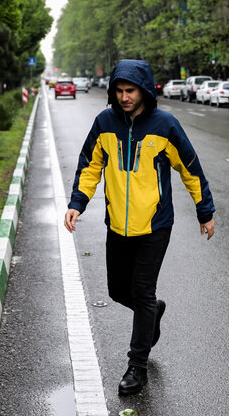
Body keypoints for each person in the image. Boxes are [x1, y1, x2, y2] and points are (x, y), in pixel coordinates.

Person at [64, 59, 216, 396]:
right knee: (118, 290)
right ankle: (152, 313)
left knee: (143, 290)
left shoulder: (165, 125)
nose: (124, 97)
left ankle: (137, 366)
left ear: (144, 89)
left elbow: (190, 168)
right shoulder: (104, 122)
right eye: (118, 91)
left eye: (130, 90)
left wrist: (204, 210)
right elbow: (89, 166)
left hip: (155, 225)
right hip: (117, 224)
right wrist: (77, 203)